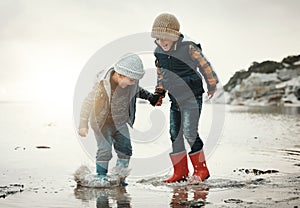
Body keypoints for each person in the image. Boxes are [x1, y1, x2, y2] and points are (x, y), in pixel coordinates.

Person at [151, 13, 219, 183]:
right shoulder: (158, 53)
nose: (162, 41)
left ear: (174, 36)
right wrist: (159, 94)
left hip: (192, 97)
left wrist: (211, 85)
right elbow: (162, 76)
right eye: (158, 38)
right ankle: (180, 172)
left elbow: (205, 66)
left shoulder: (188, 48)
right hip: (175, 99)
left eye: (165, 37)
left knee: (189, 131)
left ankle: (201, 170)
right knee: (175, 133)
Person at [78, 53, 161, 186]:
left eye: (135, 80)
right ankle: (101, 176)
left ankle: (120, 177)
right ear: (120, 75)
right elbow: (88, 102)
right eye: (131, 80)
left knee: (125, 148)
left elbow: (139, 91)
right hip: (101, 123)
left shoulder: (131, 84)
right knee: (105, 149)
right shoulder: (102, 86)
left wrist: (152, 98)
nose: (133, 83)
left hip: (120, 122)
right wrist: (83, 124)